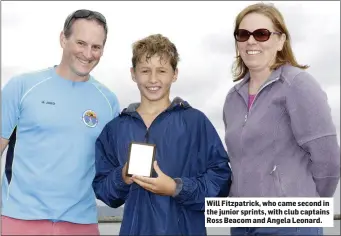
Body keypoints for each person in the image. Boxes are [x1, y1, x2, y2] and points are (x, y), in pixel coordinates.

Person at [93, 33, 232, 235]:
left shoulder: (195, 122)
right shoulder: (115, 129)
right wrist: (121, 177)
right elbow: (105, 192)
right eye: (145, 70)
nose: (153, 79)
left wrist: (176, 188)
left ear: (174, 74)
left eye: (162, 70)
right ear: (133, 73)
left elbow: (221, 181)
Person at [223, 2, 340, 236]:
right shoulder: (231, 98)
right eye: (243, 34)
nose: (251, 41)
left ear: (280, 41)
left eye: (262, 34)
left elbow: (328, 159)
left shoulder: (298, 84)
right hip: (242, 221)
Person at [1, 9, 120, 235]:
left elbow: (112, 167)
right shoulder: (22, 87)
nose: (88, 53)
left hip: (82, 222)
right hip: (19, 219)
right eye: (81, 43)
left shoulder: (108, 101)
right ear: (63, 39)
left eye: (96, 47)